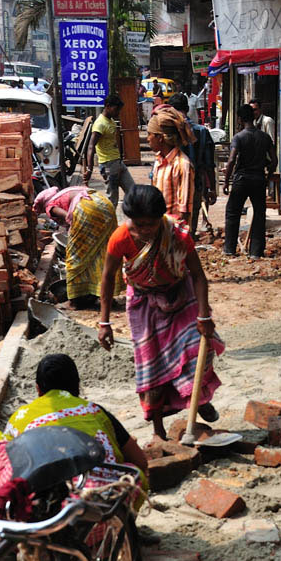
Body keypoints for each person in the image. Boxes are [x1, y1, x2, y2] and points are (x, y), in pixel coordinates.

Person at [98, 184, 223, 440]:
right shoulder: (120, 238)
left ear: (160, 219)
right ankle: (158, 431)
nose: (145, 231)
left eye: (150, 225)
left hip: (180, 293)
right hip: (143, 302)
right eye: (139, 225)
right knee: (151, 367)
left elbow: (198, 276)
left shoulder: (176, 234)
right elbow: (108, 278)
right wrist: (104, 322)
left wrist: (204, 316)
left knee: (197, 349)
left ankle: (198, 400)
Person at [3, 353, 148, 477]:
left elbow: (6, 464)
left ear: (38, 389)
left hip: (48, 499)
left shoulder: (20, 418)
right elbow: (140, 461)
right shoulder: (95, 412)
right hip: (104, 495)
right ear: (77, 385)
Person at [223, 103, 277, 259]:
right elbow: (274, 160)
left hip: (241, 180)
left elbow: (232, 159)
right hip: (258, 179)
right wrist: (268, 175)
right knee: (259, 214)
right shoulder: (264, 137)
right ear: (254, 117)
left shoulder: (239, 137)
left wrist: (226, 181)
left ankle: (229, 249)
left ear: (239, 119)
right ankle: (256, 251)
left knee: (233, 213)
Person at [168, 93, 216, 238]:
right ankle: (188, 242)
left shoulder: (167, 131)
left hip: (171, 181)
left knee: (171, 215)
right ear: (188, 109)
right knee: (191, 216)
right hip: (195, 182)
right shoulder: (201, 132)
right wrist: (212, 187)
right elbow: (209, 164)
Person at [85, 94, 135, 210]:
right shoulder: (100, 124)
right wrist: (89, 169)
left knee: (133, 191)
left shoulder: (111, 121)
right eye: (116, 109)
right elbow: (91, 146)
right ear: (108, 106)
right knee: (112, 201)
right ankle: (109, 226)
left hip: (118, 163)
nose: (118, 112)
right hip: (108, 165)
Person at [147, 107, 195, 226]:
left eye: (150, 134)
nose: (148, 139)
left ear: (160, 138)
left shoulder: (183, 165)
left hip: (173, 232)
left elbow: (185, 210)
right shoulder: (158, 161)